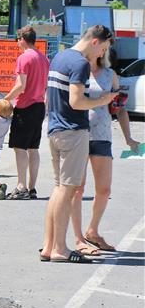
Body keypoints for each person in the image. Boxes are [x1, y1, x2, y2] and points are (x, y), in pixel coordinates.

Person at [40, 25, 115, 264]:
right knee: (67, 190)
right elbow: (76, 101)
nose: (101, 54)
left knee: (58, 188)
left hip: (55, 129)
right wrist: (103, 99)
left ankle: (49, 246)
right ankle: (60, 248)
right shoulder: (80, 63)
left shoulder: (60, 56)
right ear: (95, 42)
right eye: (102, 48)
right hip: (72, 131)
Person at [70, 47, 140, 256]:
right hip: (78, 134)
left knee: (104, 190)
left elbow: (120, 108)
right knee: (77, 189)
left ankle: (92, 231)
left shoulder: (111, 76)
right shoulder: (77, 72)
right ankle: (78, 238)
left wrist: (128, 138)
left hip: (102, 136)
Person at [2, 26, 50, 200]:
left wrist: (6, 99)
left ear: (22, 38)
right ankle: (32, 187)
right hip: (39, 105)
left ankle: (21, 186)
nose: (17, 42)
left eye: (17, 39)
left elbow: (21, 85)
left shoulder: (24, 58)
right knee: (33, 148)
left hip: (25, 106)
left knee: (19, 148)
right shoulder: (44, 59)